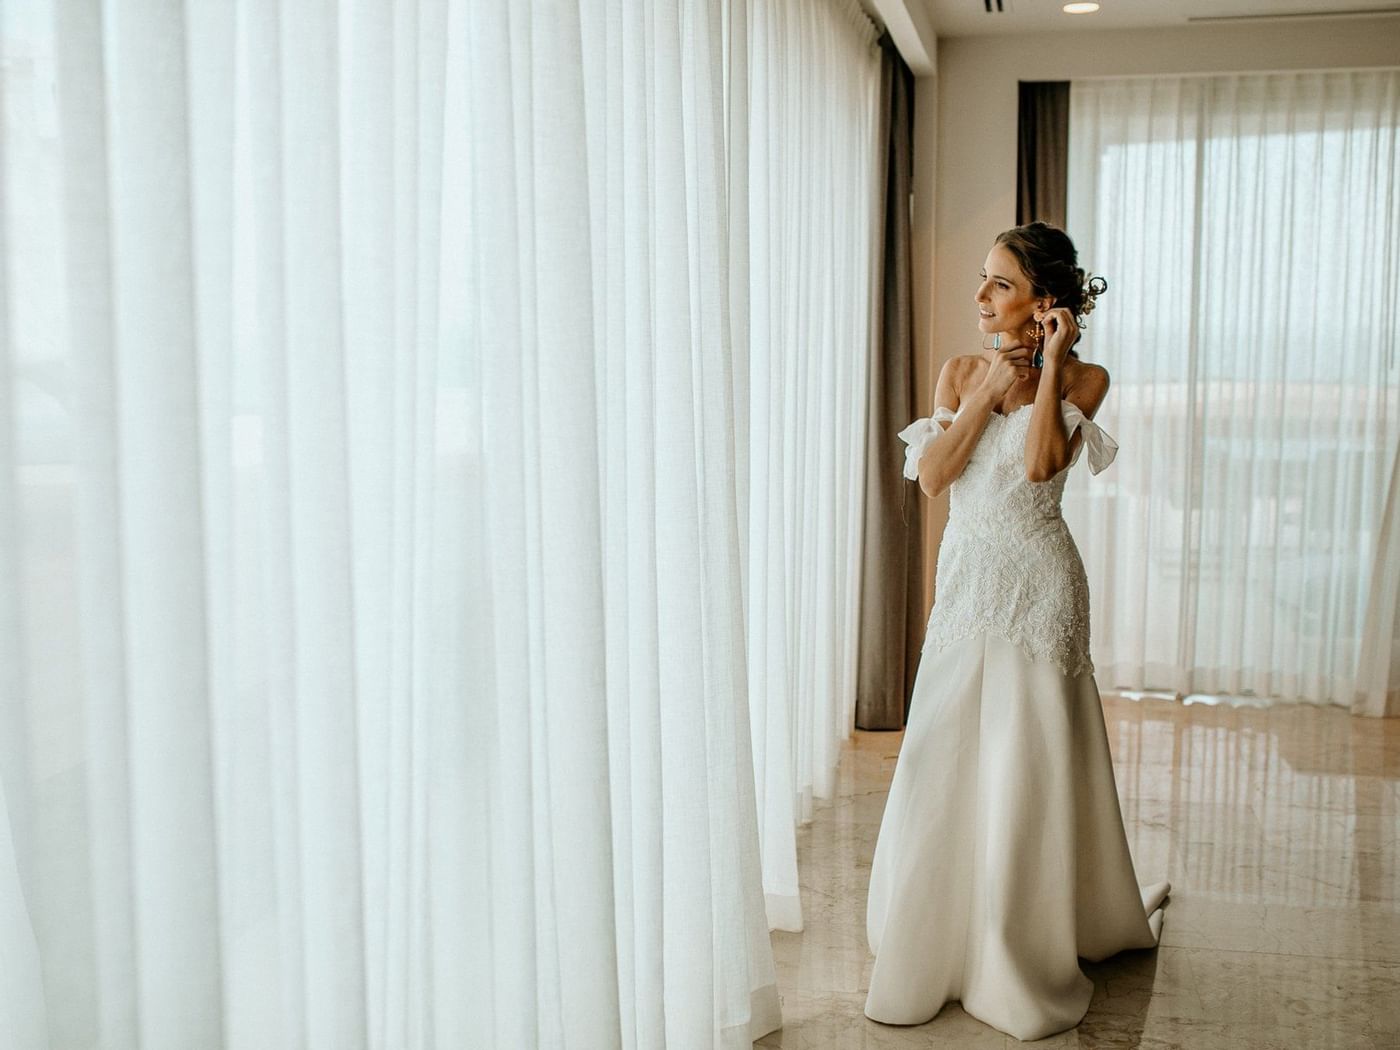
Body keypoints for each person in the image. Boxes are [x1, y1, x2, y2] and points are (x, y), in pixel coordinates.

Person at [863, 222, 1169, 1042]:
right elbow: (933, 477)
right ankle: (934, 927)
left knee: (1027, 755)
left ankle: (1022, 933)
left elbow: (1039, 467)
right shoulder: (960, 369)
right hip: (967, 584)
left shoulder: (1088, 378)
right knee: (945, 745)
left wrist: (1044, 375)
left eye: (999, 284)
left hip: (1041, 586)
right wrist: (985, 383)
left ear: (1046, 302)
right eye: (984, 280)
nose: (980, 297)